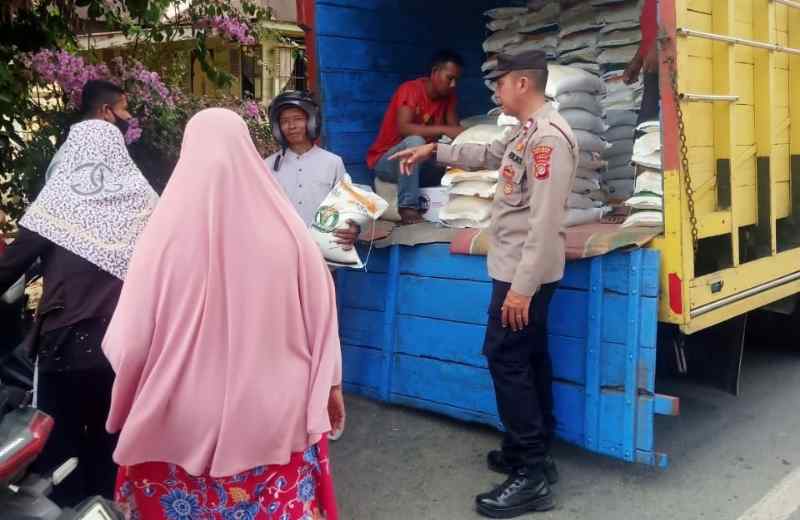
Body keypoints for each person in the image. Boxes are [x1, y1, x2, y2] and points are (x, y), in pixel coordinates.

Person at [103, 108, 344, 520]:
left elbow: (129, 346)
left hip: (176, 427)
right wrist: (329, 387)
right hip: (275, 423)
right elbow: (323, 327)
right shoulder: (292, 237)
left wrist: (133, 398)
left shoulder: (159, 243)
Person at [392, 50, 578, 518]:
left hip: (522, 273)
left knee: (506, 359)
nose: (495, 91)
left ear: (522, 84)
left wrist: (521, 289)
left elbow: (543, 223)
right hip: (516, 268)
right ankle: (529, 451)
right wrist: (434, 150)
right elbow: (490, 153)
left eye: (500, 83)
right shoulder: (526, 131)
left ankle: (531, 475)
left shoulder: (548, 141)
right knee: (528, 358)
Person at [0, 81, 158, 505]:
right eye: (124, 110)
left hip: (64, 343)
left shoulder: (60, 196)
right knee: (111, 442)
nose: (128, 119)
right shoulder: (139, 197)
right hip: (121, 346)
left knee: (60, 449)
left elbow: (13, 262)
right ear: (107, 114)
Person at [367, 49, 465, 224]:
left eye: (456, 80)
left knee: (448, 153)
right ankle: (407, 208)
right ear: (435, 72)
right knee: (415, 141)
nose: (453, 85)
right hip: (388, 162)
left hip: (419, 164)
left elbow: (454, 131)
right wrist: (444, 129)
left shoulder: (449, 97)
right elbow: (404, 128)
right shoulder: (410, 89)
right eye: (449, 78)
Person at [266, 91, 359, 251]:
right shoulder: (267, 166)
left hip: (324, 250)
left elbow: (347, 204)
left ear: (311, 121)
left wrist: (353, 227)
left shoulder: (332, 162)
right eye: (284, 121)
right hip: (283, 249)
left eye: (298, 119)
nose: (292, 126)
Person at [623, 0, 659, 125]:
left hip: (666, 70)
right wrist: (637, 61)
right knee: (646, 127)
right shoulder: (648, 3)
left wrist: (656, 48)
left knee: (647, 126)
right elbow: (649, 35)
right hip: (652, 70)